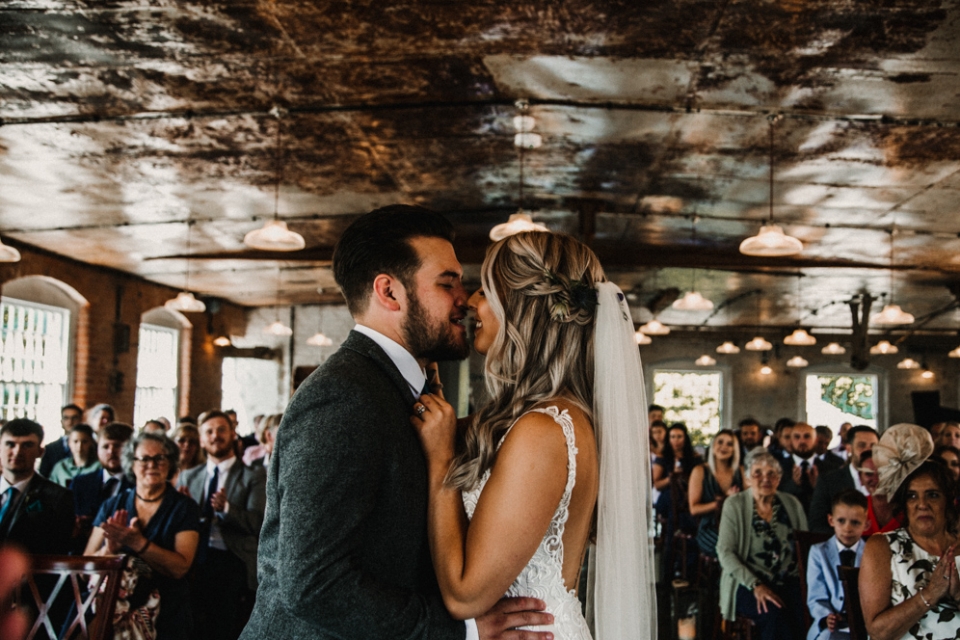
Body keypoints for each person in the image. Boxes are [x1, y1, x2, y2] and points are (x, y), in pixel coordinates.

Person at [240, 205, 555, 640]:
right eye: (447, 283)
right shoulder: (343, 396)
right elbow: (313, 584)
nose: (465, 299)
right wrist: (459, 633)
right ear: (389, 293)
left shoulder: (410, 389)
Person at [411, 229, 654, 639]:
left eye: (486, 290)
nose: (471, 302)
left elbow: (465, 597)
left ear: (522, 310)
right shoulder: (531, 419)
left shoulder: (544, 431)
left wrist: (441, 465)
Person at [85, 432, 200, 640]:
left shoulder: (184, 508)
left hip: (165, 606)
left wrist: (138, 543)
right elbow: (85, 567)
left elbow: (180, 568)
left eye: (159, 458)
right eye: (144, 459)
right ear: (131, 464)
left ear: (170, 463)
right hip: (109, 601)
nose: (152, 465)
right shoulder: (113, 505)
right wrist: (109, 550)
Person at [860, 424, 960, 640]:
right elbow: (877, 632)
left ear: (948, 500)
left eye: (932, 495)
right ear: (903, 503)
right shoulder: (883, 547)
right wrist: (930, 594)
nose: (922, 504)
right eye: (912, 496)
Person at [179, 410, 266, 640]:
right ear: (201, 438)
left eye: (221, 430)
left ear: (232, 434)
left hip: (233, 559)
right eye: (209, 431)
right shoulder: (189, 476)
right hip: (194, 559)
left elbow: (258, 523)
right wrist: (184, 509)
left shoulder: (253, 476)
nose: (215, 436)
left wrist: (227, 509)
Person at [716, 448, 807, 640]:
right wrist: (756, 585)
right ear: (747, 478)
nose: (765, 479)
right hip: (748, 582)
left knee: (807, 614)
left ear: (779, 479)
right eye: (757, 473)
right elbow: (725, 552)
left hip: (789, 580)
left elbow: (805, 547)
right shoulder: (735, 505)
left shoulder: (792, 503)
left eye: (771, 474)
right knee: (775, 616)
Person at [0, 419, 74, 555]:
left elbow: (57, 551)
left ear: (40, 451)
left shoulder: (58, 498)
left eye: (27, 445)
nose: (17, 452)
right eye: (10, 444)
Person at [806, 490, 868, 640]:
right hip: (831, 625)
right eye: (841, 521)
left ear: (866, 524)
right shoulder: (818, 552)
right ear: (831, 520)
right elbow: (816, 596)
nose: (847, 528)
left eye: (855, 522)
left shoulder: (871, 553)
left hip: (865, 625)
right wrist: (826, 616)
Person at [72, 422, 135, 550]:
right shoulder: (80, 483)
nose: (111, 452)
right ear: (97, 449)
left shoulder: (138, 485)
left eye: (118, 446)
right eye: (105, 447)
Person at [809, 426, 879, 533]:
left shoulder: (887, 480)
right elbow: (818, 524)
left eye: (873, 446)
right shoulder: (828, 481)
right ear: (849, 448)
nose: (868, 451)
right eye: (862, 445)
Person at [688, 430, 743, 557]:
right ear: (712, 447)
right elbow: (694, 509)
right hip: (710, 527)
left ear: (735, 449)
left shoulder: (740, 471)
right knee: (731, 549)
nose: (724, 447)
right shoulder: (700, 471)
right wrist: (723, 501)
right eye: (720, 442)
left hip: (736, 526)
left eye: (729, 444)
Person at [778, 422, 821, 512]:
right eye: (797, 437)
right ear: (791, 440)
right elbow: (776, 497)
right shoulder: (778, 467)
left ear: (816, 440)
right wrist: (793, 484)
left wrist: (818, 487)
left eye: (807, 436)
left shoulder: (831, 467)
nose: (802, 441)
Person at [858, 450, 902, 536]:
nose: (876, 479)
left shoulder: (907, 508)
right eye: (869, 474)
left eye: (882, 474)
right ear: (860, 478)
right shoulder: (856, 508)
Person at [39, 404, 83, 477]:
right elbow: (43, 476)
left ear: (81, 420)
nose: (70, 421)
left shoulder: (92, 446)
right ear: (61, 422)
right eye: (66, 418)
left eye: (74, 418)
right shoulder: (50, 449)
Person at [49, 423, 100, 487]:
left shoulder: (98, 467)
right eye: (75, 441)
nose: (80, 446)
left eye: (84, 442)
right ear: (69, 443)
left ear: (91, 442)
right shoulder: (60, 467)